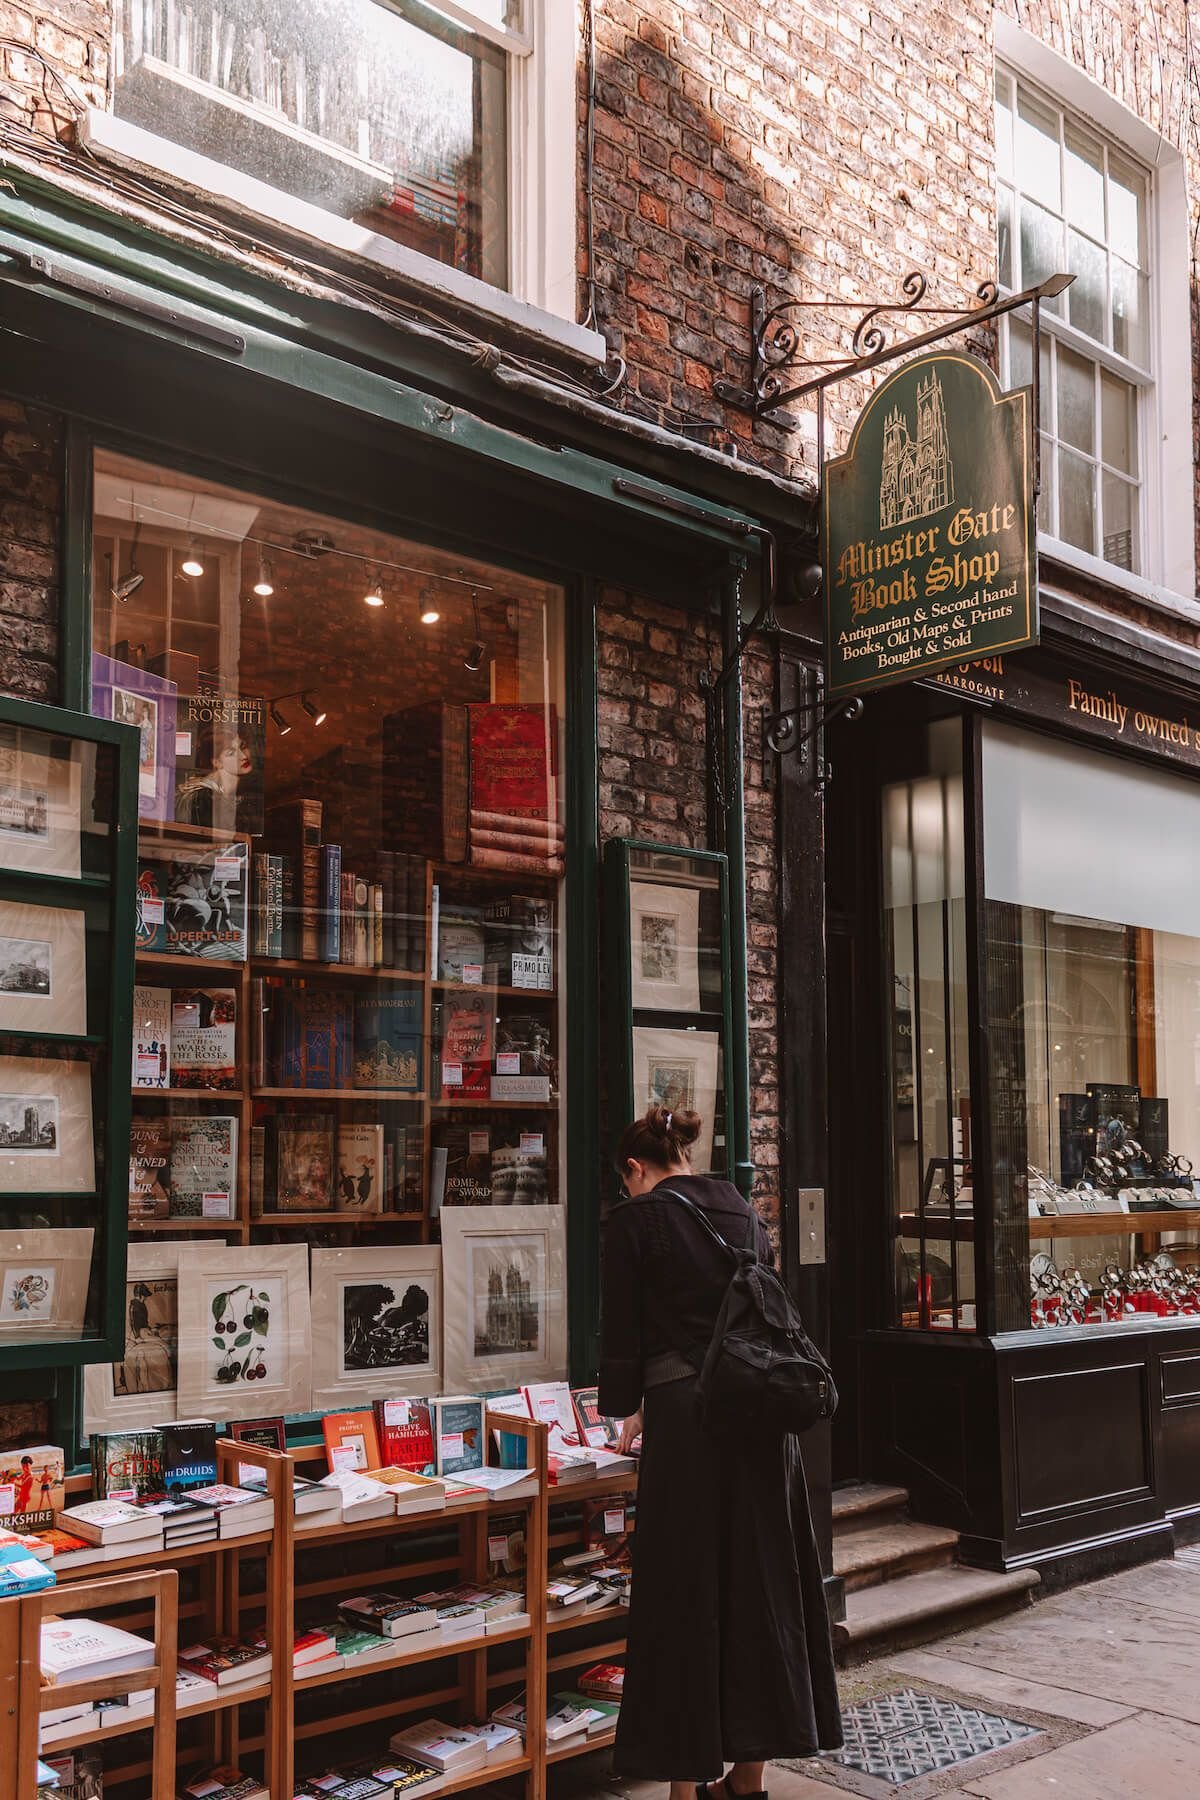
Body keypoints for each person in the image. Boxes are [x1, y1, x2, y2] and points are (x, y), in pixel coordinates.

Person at [599, 1104, 842, 1800]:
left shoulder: (635, 1221)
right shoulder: (738, 1207)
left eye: (629, 1182)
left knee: (685, 1592)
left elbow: (622, 1335)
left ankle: (684, 1787)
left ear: (636, 1169)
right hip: (762, 1421)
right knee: (763, 1588)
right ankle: (749, 1780)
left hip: (687, 1421)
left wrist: (626, 1411)